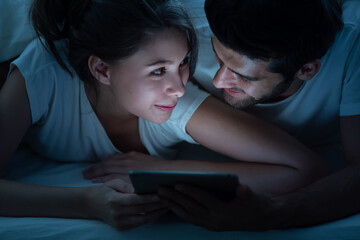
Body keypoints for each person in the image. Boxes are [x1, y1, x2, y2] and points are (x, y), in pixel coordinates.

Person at [0, 0, 328, 231]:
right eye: (158, 71)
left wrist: (167, 170)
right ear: (102, 69)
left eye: (183, 63)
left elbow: (305, 168)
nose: (179, 87)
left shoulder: (174, 103)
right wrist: (87, 204)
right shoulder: (45, 73)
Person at [156, 0, 360, 231]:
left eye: (243, 76)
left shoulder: (354, 46)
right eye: (218, 57)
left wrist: (272, 213)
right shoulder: (181, 21)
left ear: (306, 70)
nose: (218, 81)